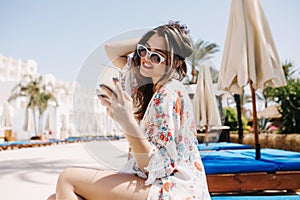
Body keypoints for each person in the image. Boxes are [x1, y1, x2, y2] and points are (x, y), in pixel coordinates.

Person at [47, 21, 211, 200]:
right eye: (143, 51)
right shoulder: (150, 87)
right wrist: (150, 39)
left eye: (157, 57)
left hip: (175, 189)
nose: (147, 58)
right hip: (163, 183)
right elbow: (111, 50)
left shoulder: (168, 94)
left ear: (175, 62)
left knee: (68, 178)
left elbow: (155, 167)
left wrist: (127, 122)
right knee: (55, 198)